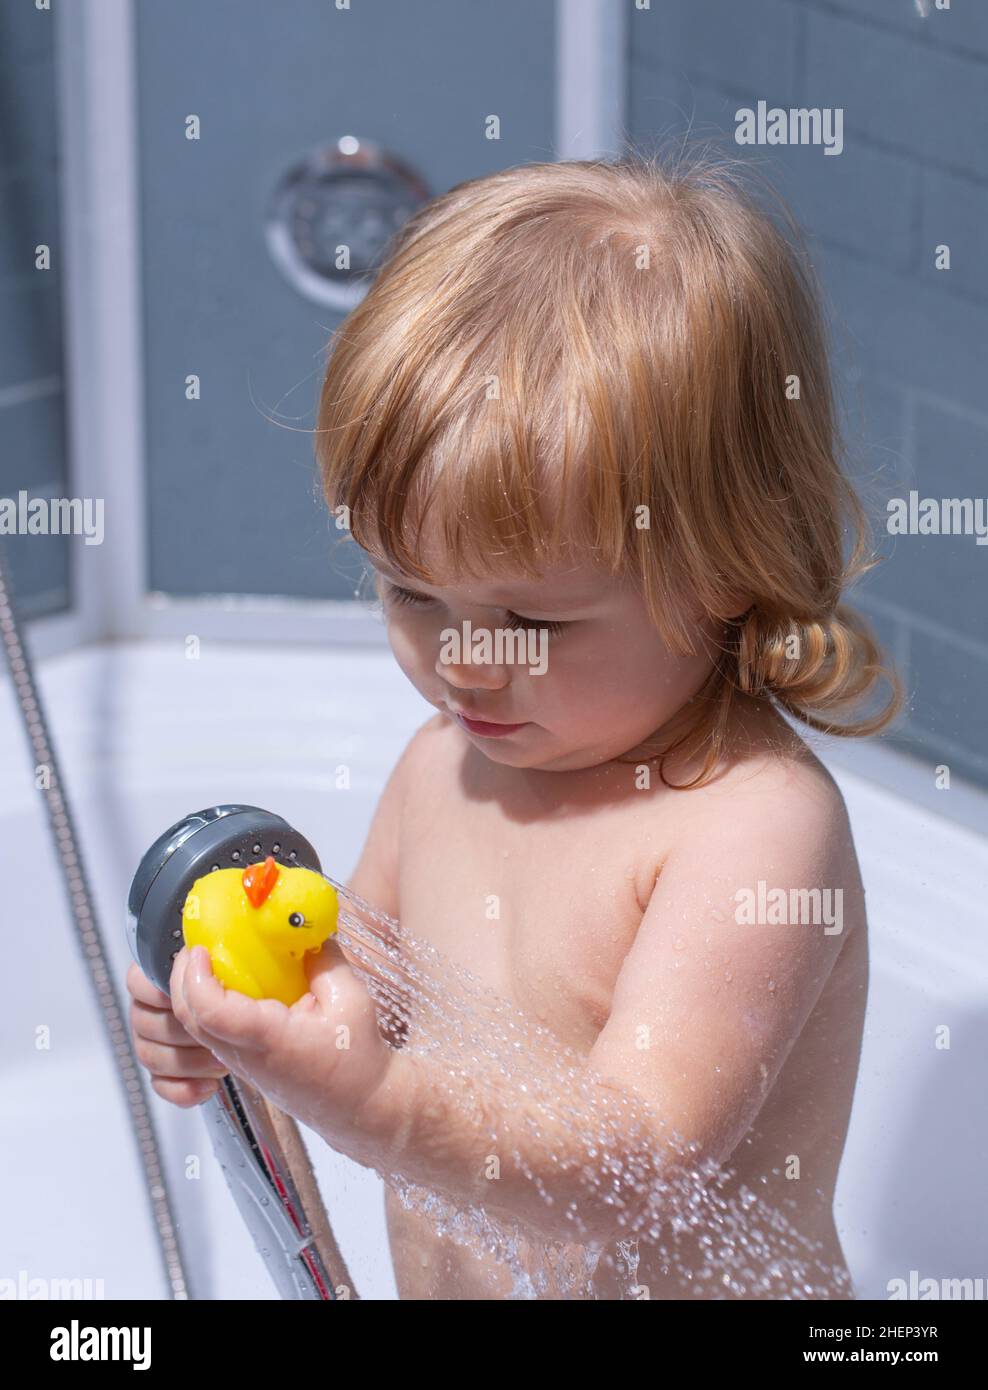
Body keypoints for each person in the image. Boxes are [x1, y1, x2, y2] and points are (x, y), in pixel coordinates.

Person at [127, 150, 901, 1299]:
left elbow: (634, 1167)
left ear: (725, 570)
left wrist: (374, 1104)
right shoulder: (444, 766)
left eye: (532, 617)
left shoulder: (748, 832)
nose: (460, 662)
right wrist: (248, 1029)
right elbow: (348, 994)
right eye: (409, 593)